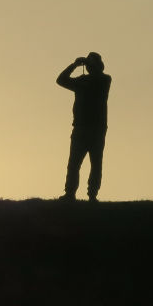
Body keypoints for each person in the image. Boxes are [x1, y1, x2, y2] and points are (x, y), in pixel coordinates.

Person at [56, 52, 111, 201]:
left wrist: (77, 64)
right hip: (83, 127)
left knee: (95, 163)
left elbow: (62, 80)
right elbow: (60, 80)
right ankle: (71, 193)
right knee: (74, 163)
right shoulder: (84, 81)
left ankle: (91, 195)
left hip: (95, 129)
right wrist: (74, 65)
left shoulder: (104, 79)